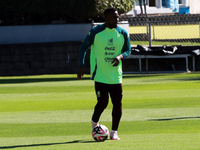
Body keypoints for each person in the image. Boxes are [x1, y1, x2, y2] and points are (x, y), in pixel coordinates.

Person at [77, 7, 131, 140]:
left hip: (116, 76)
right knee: (103, 102)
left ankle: (114, 132)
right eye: (114, 17)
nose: (117, 19)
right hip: (100, 74)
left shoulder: (122, 33)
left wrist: (120, 56)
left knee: (118, 103)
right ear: (106, 18)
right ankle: (94, 122)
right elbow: (83, 47)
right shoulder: (96, 32)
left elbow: (128, 50)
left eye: (118, 17)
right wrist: (81, 65)